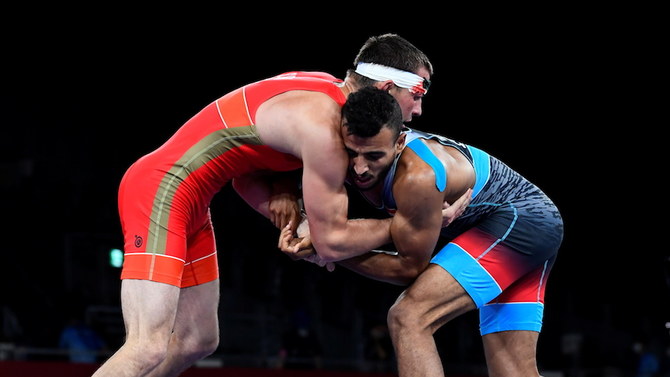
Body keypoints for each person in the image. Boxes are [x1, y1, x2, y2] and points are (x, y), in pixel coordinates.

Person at [93, 34, 434, 377]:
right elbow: (330, 241)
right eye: (417, 94)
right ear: (387, 89)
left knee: (198, 340)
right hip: (161, 189)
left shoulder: (320, 87)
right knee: (146, 346)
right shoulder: (323, 128)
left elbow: (243, 170)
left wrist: (284, 191)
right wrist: (415, 221)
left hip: (192, 200)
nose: (418, 110)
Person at [280, 87, 564, 377]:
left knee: (410, 317)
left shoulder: (419, 177)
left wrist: (330, 250)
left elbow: (408, 268)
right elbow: (274, 162)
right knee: (513, 371)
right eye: (351, 153)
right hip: (524, 224)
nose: (360, 168)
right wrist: (289, 198)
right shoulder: (335, 148)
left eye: (374, 156)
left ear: (400, 142)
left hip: (522, 223)